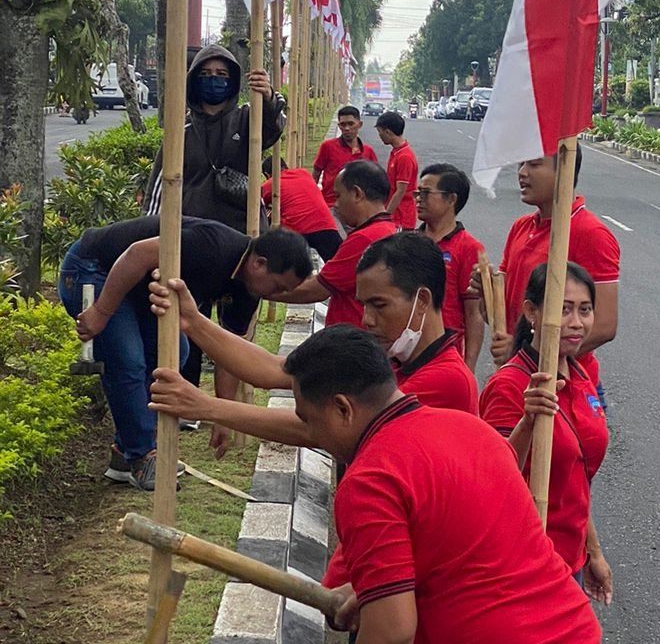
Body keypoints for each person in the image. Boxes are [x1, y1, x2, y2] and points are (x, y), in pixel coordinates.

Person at [151, 325, 598, 642]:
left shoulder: (370, 478)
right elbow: (457, 544)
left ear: (344, 409)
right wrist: (375, 588)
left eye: (310, 420)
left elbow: (392, 630)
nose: (311, 434)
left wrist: (380, 604)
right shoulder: (469, 429)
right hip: (572, 627)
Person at [146, 232, 480, 450]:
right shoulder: (389, 356)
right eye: (363, 305)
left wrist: (207, 406)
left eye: (379, 305)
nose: (366, 319)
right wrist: (193, 321)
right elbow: (277, 370)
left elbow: (316, 429)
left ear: (422, 301)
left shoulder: (444, 380)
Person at [59, 217, 311, 489]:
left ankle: (126, 453)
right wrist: (100, 312)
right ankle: (142, 455)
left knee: (174, 353)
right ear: (258, 263)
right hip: (95, 267)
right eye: (278, 286)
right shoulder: (212, 247)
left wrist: (224, 416)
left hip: (137, 285)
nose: (277, 295)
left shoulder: (249, 289)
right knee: (128, 361)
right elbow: (137, 254)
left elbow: (229, 353)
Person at [480, 263, 612, 605]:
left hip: (571, 562)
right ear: (531, 313)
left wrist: (593, 552)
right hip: (524, 565)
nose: (576, 322)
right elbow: (492, 479)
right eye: (563, 309)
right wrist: (528, 422)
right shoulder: (510, 386)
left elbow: (576, 478)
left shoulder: (582, 375)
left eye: (584, 310)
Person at [488, 150, 620, 392]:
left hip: (563, 386)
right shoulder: (521, 227)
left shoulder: (590, 233)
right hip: (515, 380)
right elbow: (504, 313)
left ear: (565, 172)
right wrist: (484, 292)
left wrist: (527, 354)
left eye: (534, 164)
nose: (522, 173)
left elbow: (604, 326)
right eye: (521, 163)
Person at [143, 43, 286, 234]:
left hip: (244, 230)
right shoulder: (181, 131)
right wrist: (148, 231)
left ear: (232, 80)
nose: (213, 78)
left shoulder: (247, 119)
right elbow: (159, 189)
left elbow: (274, 126)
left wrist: (268, 97)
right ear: (194, 80)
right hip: (195, 233)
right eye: (205, 74)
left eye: (221, 74)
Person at [271, 160, 397, 329]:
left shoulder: (365, 239)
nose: (335, 205)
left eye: (338, 196)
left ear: (357, 194)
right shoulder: (388, 230)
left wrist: (265, 289)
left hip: (351, 338)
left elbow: (316, 289)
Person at [417, 164, 485, 370]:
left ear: (451, 199)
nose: (419, 198)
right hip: (406, 352)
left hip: (446, 355)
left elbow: (474, 313)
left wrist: (469, 365)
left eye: (426, 193)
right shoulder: (408, 242)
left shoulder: (469, 248)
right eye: (418, 192)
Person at [261, 157, 342, 262]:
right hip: (325, 225)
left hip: (296, 231)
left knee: (289, 269)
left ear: (267, 175)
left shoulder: (271, 184)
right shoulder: (304, 173)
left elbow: (257, 205)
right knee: (340, 263)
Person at [313, 105, 378, 209]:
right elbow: (315, 175)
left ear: (359, 124)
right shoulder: (328, 147)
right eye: (343, 124)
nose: (347, 128)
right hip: (332, 206)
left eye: (351, 124)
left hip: (359, 209)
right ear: (339, 126)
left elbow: (375, 181)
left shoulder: (368, 152)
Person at [375, 111, 419, 230]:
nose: (379, 136)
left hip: (401, 217)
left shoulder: (404, 157)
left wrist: (386, 216)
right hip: (395, 215)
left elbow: (401, 191)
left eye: (380, 132)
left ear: (388, 132)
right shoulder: (396, 152)